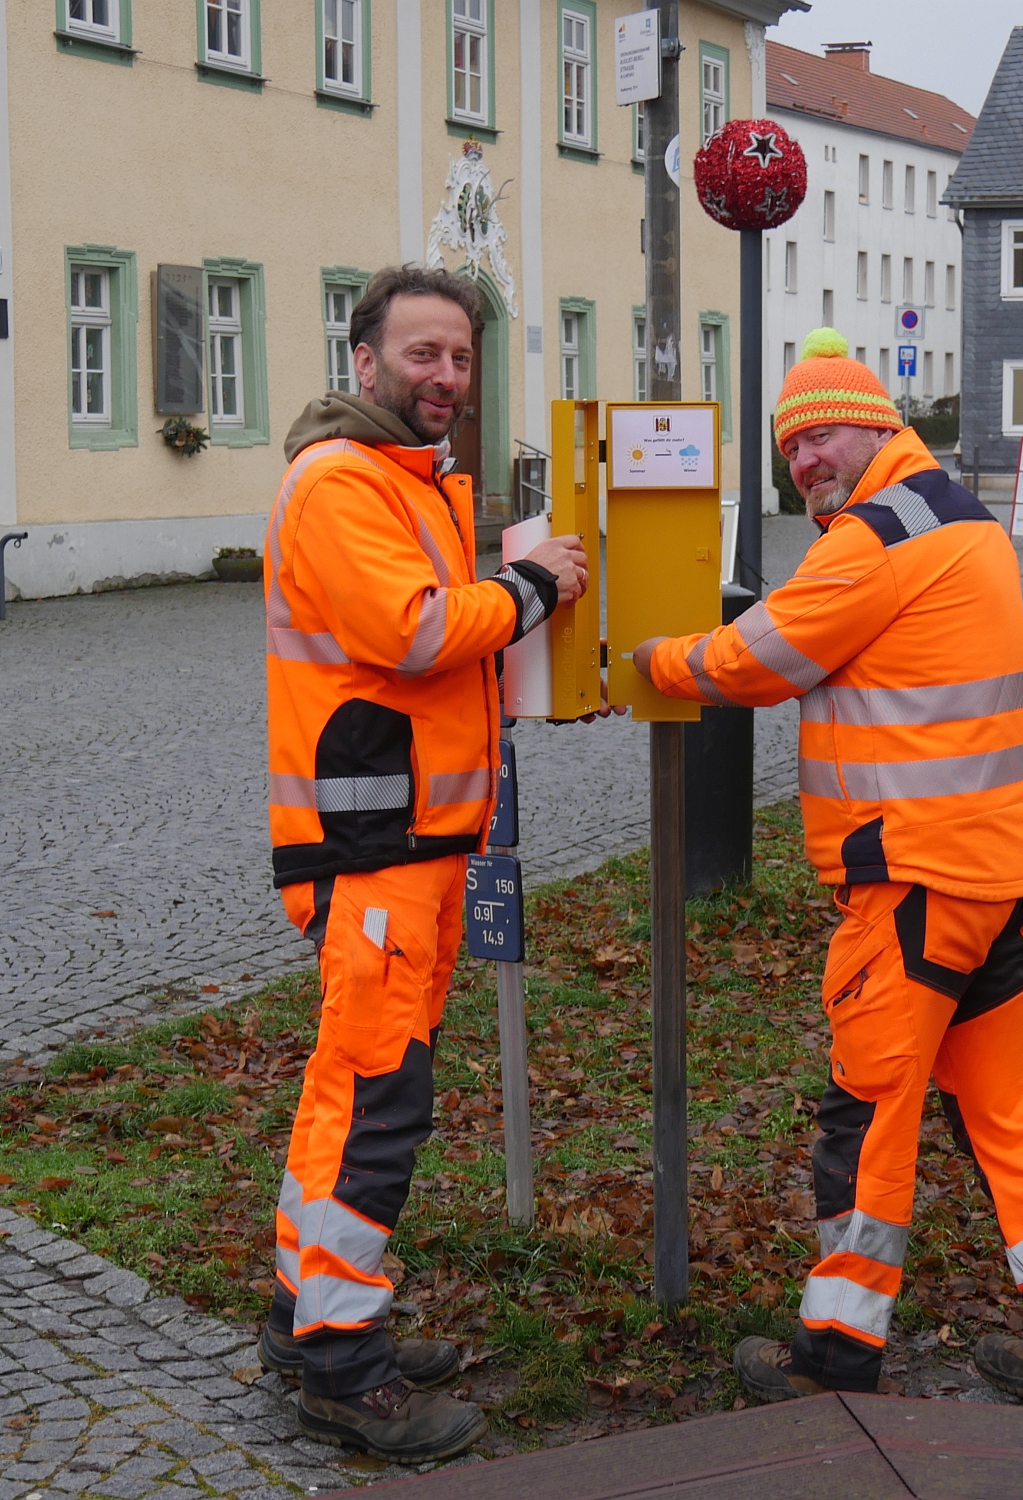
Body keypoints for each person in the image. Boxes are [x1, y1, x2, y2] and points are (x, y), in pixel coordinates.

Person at [631, 329, 1023, 1413]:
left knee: (868, 1113)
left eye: (821, 436)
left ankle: (836, 1349)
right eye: (790, 449)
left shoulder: (877, 534)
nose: (806, 462)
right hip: (1005, 878)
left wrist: (644, 664)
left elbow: (755, 658)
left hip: (915, 887)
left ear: (876, 423)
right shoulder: (954, 514)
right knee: (1006, 1111)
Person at [256, 265, 589, 1462]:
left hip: (419, 845)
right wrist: (533, 588)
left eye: (457, 356)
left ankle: (305, 1311)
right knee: (377, 1106)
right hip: (376, 852)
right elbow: (413, 631)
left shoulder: (415, 480)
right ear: (362, 362)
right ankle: (342, 1369)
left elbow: (453, 651)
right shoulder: (341, 480)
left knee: (348, 1088)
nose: (443, 375)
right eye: (419, 355)